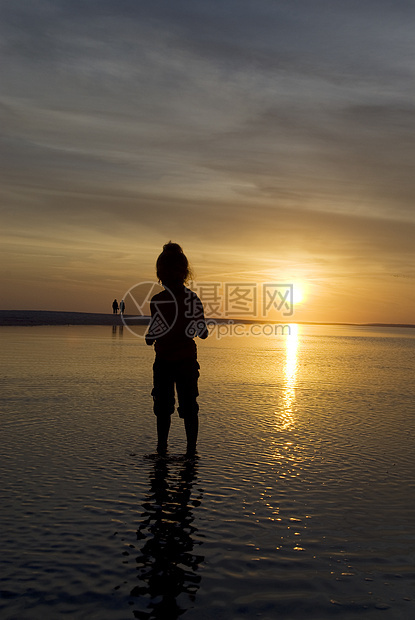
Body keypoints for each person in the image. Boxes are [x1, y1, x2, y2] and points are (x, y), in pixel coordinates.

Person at [146, 242, 208, 458]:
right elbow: (202, 331)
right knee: (182, 406)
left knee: (169, 408)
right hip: (175, 360)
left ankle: (168, 450)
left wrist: (151, 336)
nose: (166, 276)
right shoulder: (186, 299)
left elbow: (154, 331)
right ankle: (185, 451)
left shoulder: (162, 300)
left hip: (176, 361)